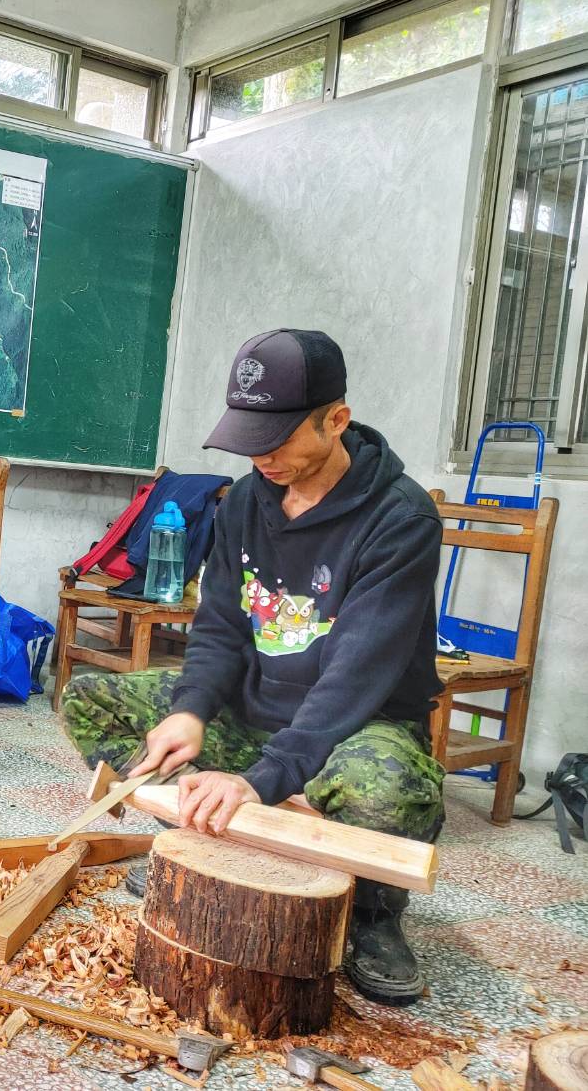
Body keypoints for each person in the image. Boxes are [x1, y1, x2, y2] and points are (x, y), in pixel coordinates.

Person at [61, 329, 445, 1006]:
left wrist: (264, 778)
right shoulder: (243, 502)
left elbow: (354, 676)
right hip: (255, 712)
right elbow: (220, 627)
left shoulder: (400, 517)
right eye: (248, 437)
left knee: (386, 789)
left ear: (336, 420)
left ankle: (372, 911)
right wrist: (190, 711)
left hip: (354, 727)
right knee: (88, 700)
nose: (259, 455)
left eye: (277, 438)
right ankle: (209, 840)